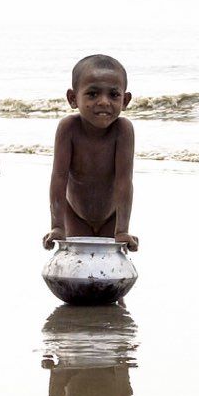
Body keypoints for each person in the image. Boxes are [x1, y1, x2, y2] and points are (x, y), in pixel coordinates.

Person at [42, 55, 138, 252]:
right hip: (75, 213)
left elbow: (124, 181)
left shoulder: (123, 130)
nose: (104, 102)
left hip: (112, 216)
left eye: (113, 95)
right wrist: (57, 226)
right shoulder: (68, 128)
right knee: (77, 263)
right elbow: (59, 179)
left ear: (125, 100)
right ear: (72, 98)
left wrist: (122, 230)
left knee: (108, 267)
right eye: (93, 94)